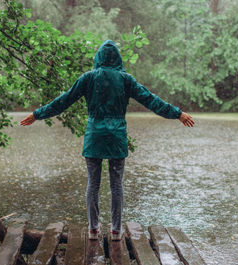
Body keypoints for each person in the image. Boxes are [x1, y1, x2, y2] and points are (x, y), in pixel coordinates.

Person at [20, 40, 194, 241]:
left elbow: (64, 101)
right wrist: (178, 114)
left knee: (93, 185)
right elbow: (151, 100)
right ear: (118, 58)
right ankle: (116, 231)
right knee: (116, 185)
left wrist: (37, 114)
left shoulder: (88, 78)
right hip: (116, 137)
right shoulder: (126, 79)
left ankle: (93, 230)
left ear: (98, 57)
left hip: (94, 136)